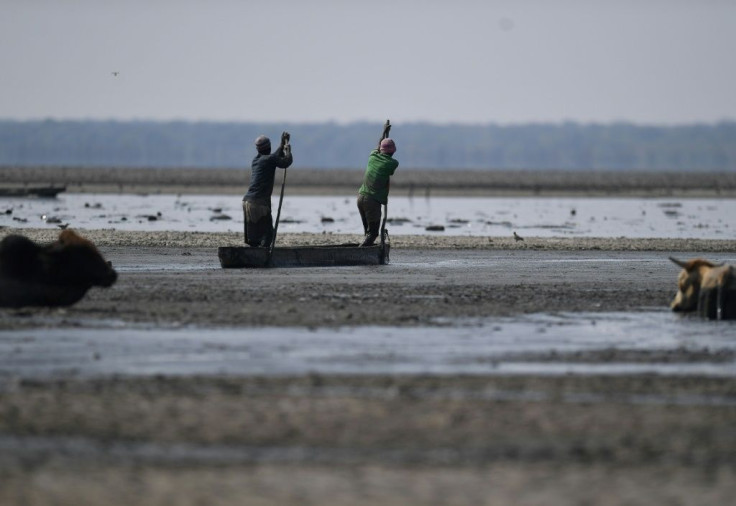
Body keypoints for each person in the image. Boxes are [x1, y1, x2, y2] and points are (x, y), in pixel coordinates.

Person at [242, 131, 293, 247]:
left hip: (247, 202)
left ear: (258, 150)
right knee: (268, 234)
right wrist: (288, 151)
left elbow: (274, 157)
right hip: (259, 203)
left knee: (254, 238)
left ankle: (254, 257)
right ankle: (264, 257)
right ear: (268, 147)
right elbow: (286, 162)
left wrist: (282, 143)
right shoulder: (269, 160)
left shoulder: (256, 160)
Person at [357, 121, 398, 247]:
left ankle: (365, 250)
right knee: (373, 234)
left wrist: (384, 132)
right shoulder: (392, 163)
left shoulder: (372, 156)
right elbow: (388, 171)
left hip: (360, 198)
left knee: (368, 232)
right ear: (393, 151)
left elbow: (378, 147)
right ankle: (361, 253)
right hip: (372, 202)